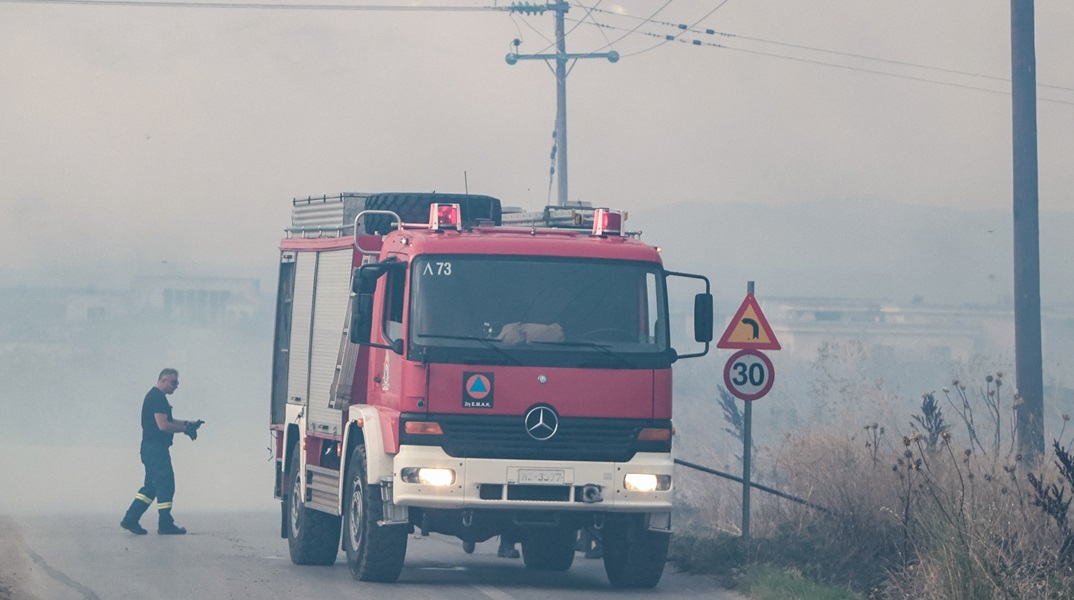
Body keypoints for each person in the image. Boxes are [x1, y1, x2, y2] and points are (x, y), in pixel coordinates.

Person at [120, 368, 203, 535]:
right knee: (165, 484)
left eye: (177, 382)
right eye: (174, 382)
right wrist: (184, 430)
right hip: (155, 449)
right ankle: (165, 523)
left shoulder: (157, 398)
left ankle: (130, 519)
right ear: (163, 380)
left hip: (151, 449)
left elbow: (169, 420)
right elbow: (163, 425)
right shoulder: (157, 398)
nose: (176, 386)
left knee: (150, 488)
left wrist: (188, 424)